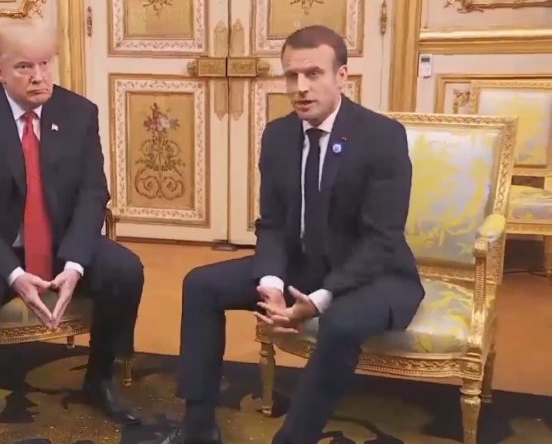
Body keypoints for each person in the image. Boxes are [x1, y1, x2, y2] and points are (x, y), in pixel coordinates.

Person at [158, 25, 424, 444]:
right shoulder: (279, 135)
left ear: (342, 76)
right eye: (291, 76)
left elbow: (382, 238)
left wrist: (318, 300)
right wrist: (270, 282)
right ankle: (198, 425)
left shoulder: (382, 137)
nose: (300, 88)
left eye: (313, 74)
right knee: (201, 285)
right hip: (304, 265)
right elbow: (272, 223)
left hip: (375, 274)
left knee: (340, 323)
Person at [0, 20, 144, 444]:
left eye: (46, 64)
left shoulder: (79, 113)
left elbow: (93, 192)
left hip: (62, 242)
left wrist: (76, 263)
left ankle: (99, 377)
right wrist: (12, 274)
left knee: (125, 270)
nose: (39, 77)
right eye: (24, 67)